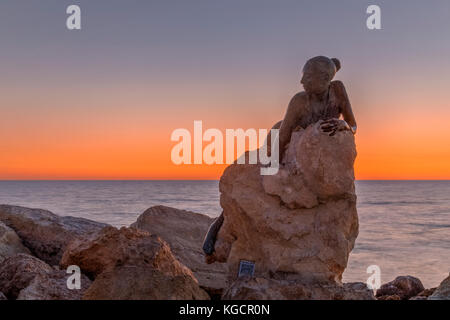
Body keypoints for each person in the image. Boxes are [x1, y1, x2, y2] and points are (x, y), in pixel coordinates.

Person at [202, 56, 357, 258]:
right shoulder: (299, 101)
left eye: (307, 77)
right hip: (279, 136)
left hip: (309, 147)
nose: (302, 82)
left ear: (325, 78)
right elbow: (282, 136)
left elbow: (353, 124)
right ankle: (218, 224)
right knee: (254, 182)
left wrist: (344, 125)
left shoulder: (337, 90)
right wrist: (274, 165)